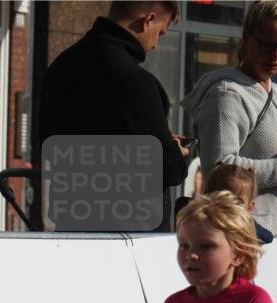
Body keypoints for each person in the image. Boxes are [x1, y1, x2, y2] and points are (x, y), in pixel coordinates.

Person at [35, 1, 188, 232]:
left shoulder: (60, 67)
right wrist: (175, 151)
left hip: (72, 224)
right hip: (131, 233)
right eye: (160, 32)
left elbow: (47, 143)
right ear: (148, 20)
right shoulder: (135, 82)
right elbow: (166, 167)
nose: (156, 44)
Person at [180, 0, 277, 237]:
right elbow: (218, 170)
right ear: (247, 39)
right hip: (240, 235)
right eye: (268, 45)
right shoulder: (226, 94)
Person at [202, 162, 275, 244]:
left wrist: (243, 225)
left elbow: (268, 237)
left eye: (238, 201)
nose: (230, 205)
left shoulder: (247, 226)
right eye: (224, 198)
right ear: (208, 197)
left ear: (249, 207)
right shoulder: (198, 223)